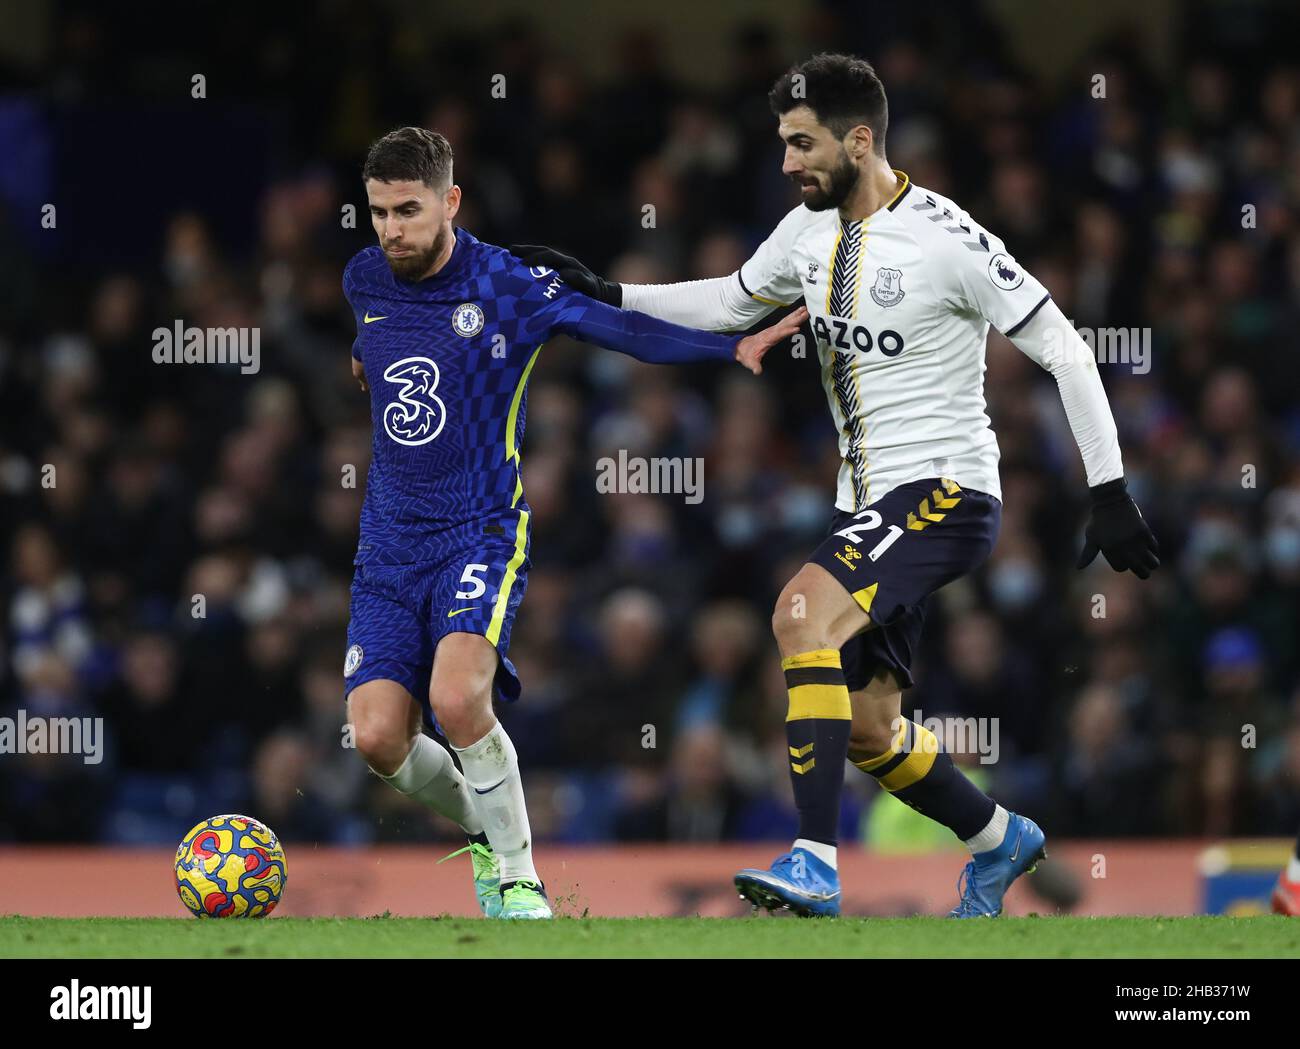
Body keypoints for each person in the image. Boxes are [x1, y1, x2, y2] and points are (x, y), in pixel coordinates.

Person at [514, 53, 1158, 917]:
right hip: (867, 503)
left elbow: (1068, 350)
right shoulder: (803, 233)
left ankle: (814, 859)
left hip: (945, 490)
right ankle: (998, 839)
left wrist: (1108, 489)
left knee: (795, 615)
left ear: (860, 140)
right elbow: (729, 302)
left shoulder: (946, 238)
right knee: (868, 726)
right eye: (783, 144)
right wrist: (612, 291)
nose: (788, 163)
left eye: (802, 143)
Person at [343, 126, 804, 919]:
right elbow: (373, 359)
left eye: (409, 211)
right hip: (386, 542)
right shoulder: (365, 279)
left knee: (458, 701)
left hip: (478, 529)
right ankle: (489, 830)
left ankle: (519, 880)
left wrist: (732, 347)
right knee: (379, 736)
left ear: (451, 202)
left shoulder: (507, 285)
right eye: (378, 212)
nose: (391, 230)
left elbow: (620, 329)